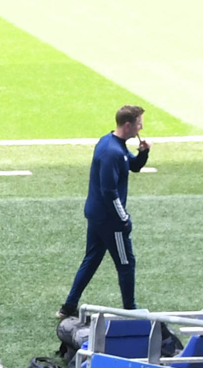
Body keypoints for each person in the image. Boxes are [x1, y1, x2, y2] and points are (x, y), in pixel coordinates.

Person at [59, 105, 151, 318]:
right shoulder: (113, 152)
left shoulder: (111, 143)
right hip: (110, 220)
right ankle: (131, 310)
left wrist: (143, 152)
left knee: (91, 259)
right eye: (139, 123)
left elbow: (134, 166)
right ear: (128, 125)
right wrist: (124, 219)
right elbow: (109, 191)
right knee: (126, 263)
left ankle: (68, 306)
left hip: (97, 215)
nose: (142, 127)